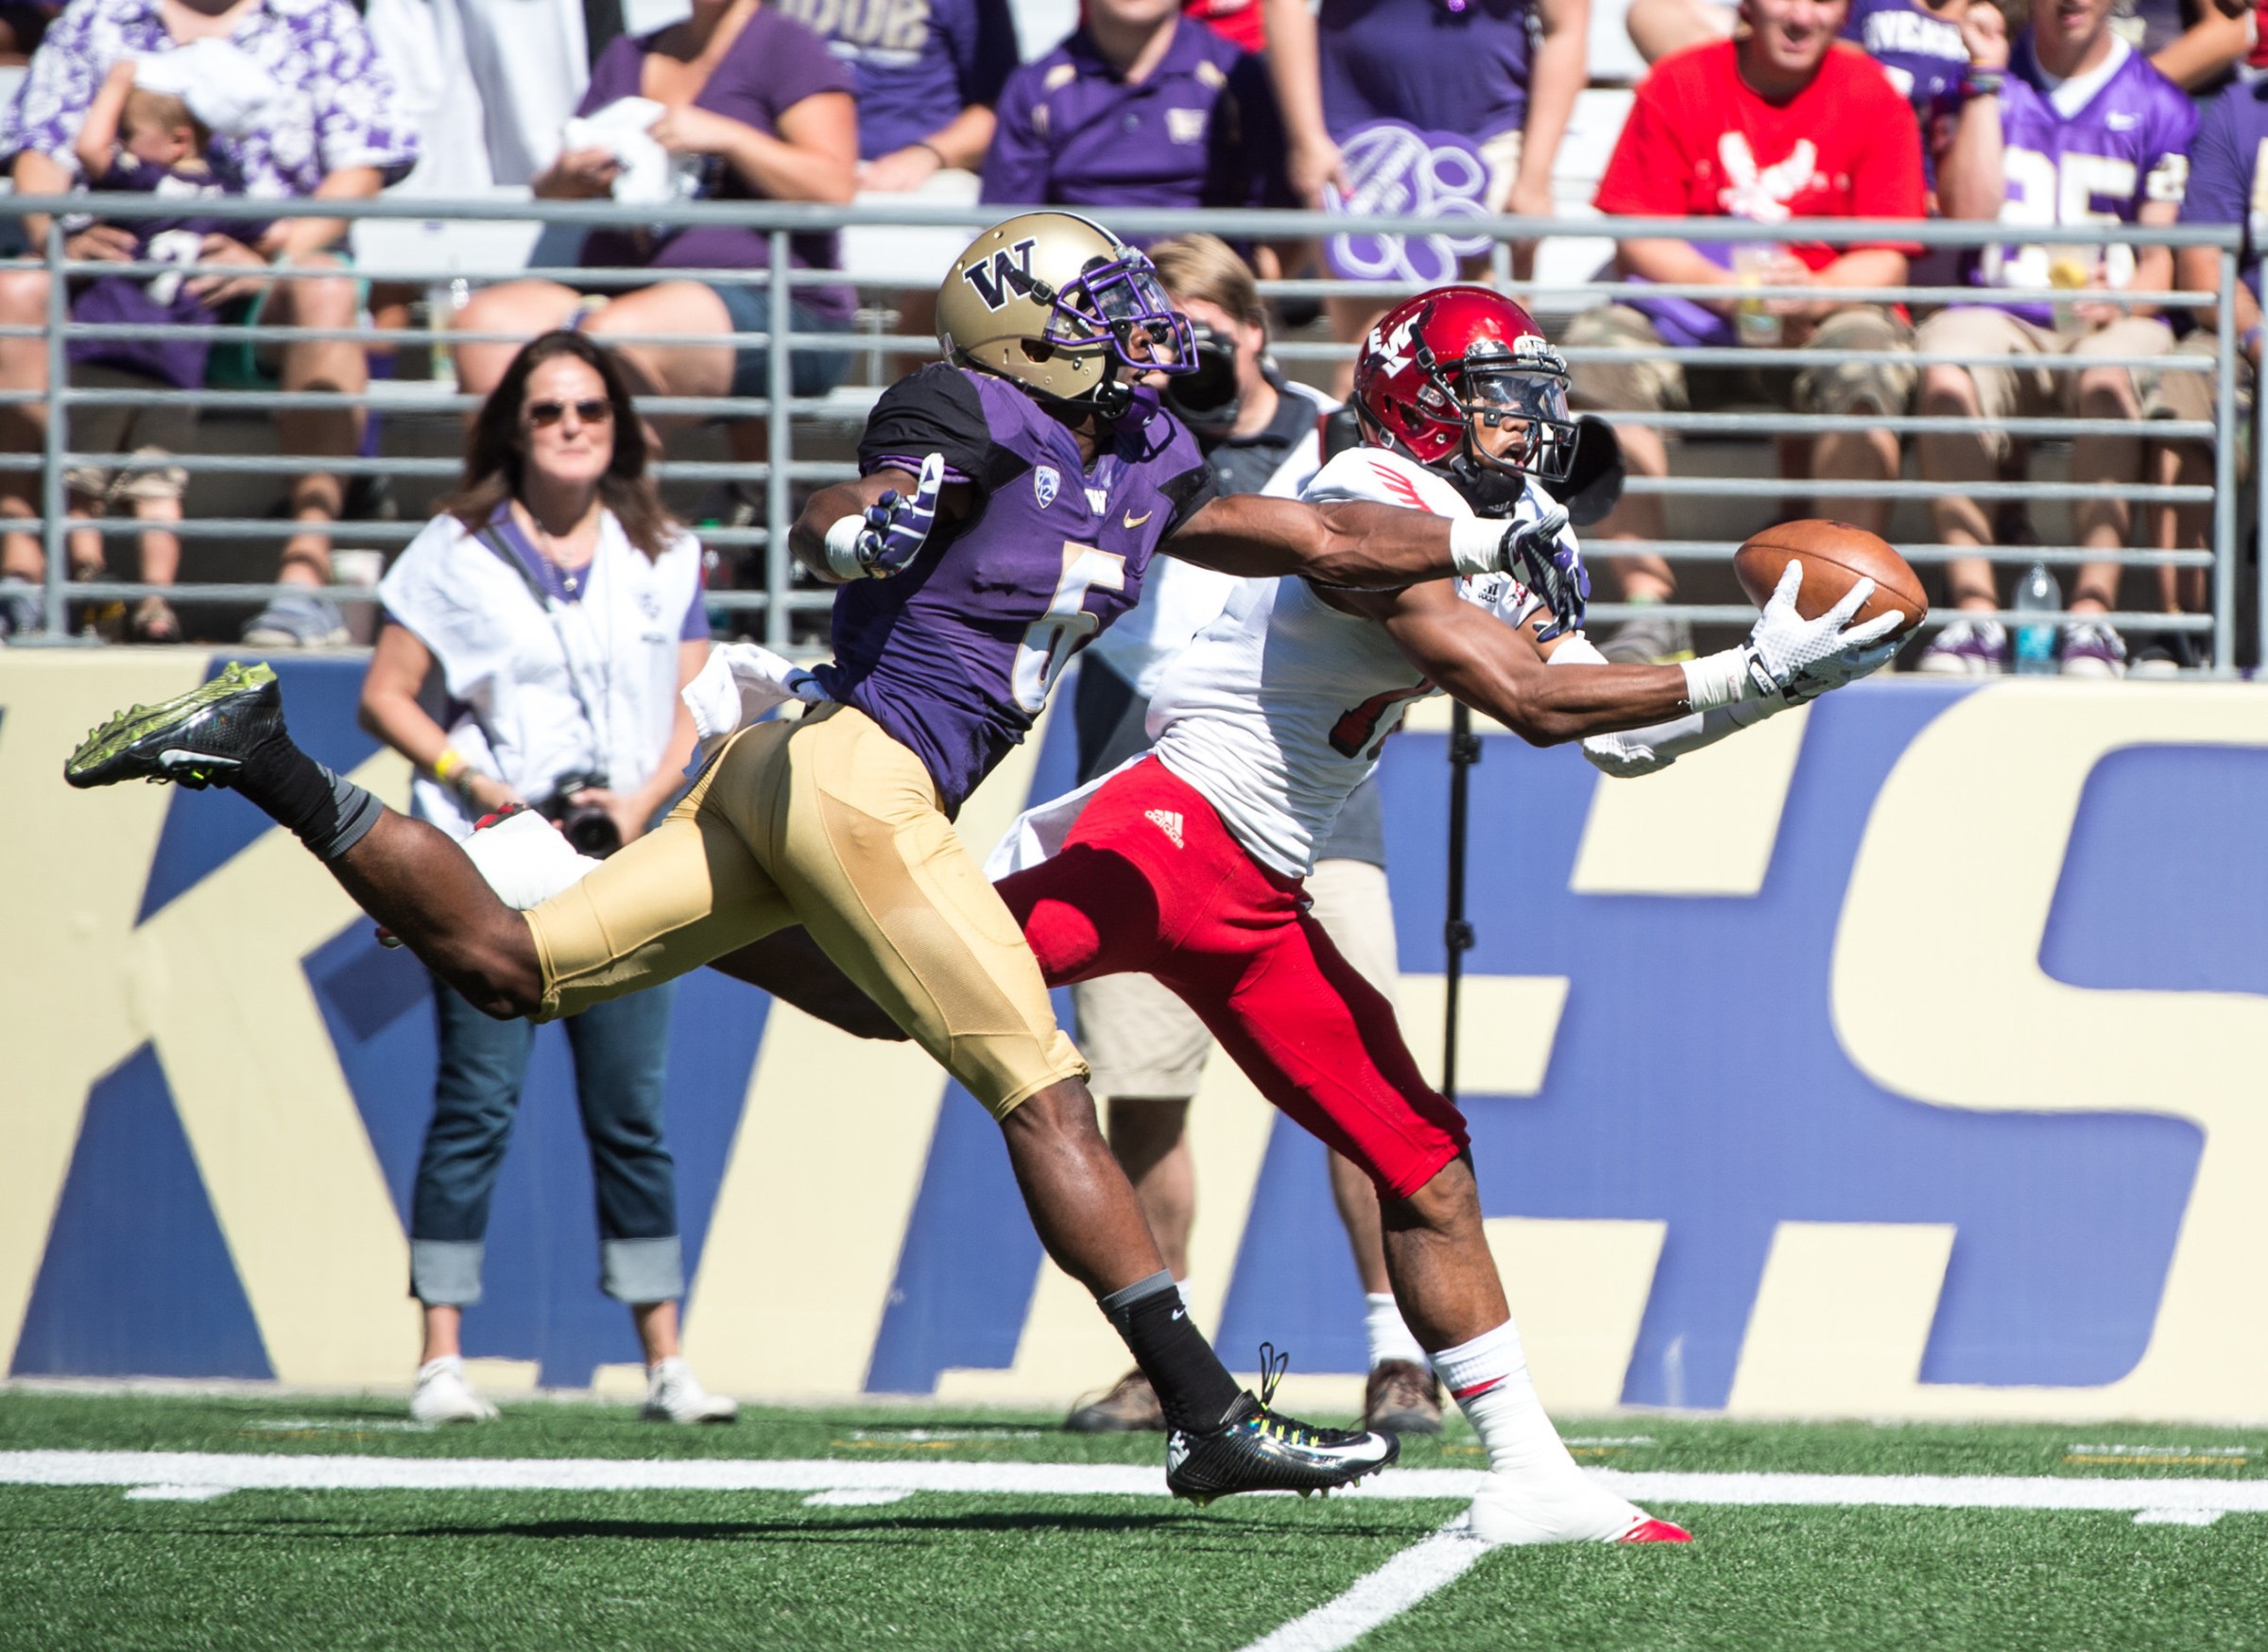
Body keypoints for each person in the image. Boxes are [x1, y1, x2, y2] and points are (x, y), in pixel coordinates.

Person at [66, 211, 1582, 1510]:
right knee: (1043, 1088)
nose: (1139, 333)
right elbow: (844, 502)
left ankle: (259, 750)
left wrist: (1474, 546)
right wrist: (864, 529)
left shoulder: (1155, 456)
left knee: (510, 966)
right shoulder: (974, 410)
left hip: (783, 776)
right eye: (1103, 311)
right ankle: (1206, 1415)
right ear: (1030, 334)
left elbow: (1317, 541)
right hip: (859, 778)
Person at [682, 286, 1898, 1543]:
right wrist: (1750, 669)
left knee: (1423, 1159)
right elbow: (1525, 700)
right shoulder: (1383, 493)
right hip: (1164, 832)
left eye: (1533, 401)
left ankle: (1530, 1471)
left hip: (1260, 879)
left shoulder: (1513, 517)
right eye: (1495, 403)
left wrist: (1769, 689)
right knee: (896, 995)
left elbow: (1614, 739)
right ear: (1423, 405)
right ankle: (666, 916)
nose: (1525, 428)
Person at [1057, 233, 1439, 1438]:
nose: (1191, 355)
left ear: (1258, 329)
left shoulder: (1340, 437)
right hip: (1142, 784)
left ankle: (1397, 1352)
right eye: (1163, 333)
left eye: (1208, 331)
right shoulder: (1114, 435)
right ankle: (1165, 1362)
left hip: (1313, 801)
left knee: (1359, 1076)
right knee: (1142, 1090)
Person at [360, 331, 730, 1425]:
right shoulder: (453, 546)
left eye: (591, 410)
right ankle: (440, 1358)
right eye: (548, 411)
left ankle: (667, 1361)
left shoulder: (664, 545)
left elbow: (696, 700)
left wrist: (641, 797)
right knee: (476, 1101)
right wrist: (470, 777)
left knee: (632, 1111)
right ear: (510, 429)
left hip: (618, 854)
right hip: (489, 857)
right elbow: (387, 694)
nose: (572, 427)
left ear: (619, 425)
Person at [0, 0, 419, 648]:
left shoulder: (323, 19)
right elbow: (38, 152)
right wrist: (59, 237)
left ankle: (302, 587)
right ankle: (23, 578)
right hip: (111, 291)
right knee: (16, 286)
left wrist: (270, 258)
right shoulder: (97, 17)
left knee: (326, 285)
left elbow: (362, 167)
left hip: (258, 286)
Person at [1564, 0, 1924, 664]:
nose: (1801, 16)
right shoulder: (1682, 79)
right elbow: (1638, 233)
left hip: (1819, 317)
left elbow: (1888, 254)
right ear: (1746, 8)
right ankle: (1651, 610)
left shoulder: (1869, 90)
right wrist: (1728, 292)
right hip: (1693, 320)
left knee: (1869, 355)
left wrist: (1812, 293)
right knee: (1596, 352)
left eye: (1821, 0)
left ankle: (1841, 612)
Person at [1913, 0, 2195, 676]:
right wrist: (1983, 79)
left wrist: (2122, 298)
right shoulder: (1983, 83)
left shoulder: (2158, 102)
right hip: (1999, 311)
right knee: (1945, 361)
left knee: (2111, 375)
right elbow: (1966, 217)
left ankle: (2092, 619)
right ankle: (1974, 615)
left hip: (2108, 319)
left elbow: (2162, 260)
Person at [448, 0, 856, 438]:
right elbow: (550, 191)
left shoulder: (788, 46)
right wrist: (573, 175)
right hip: (614, 291)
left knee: (612, 338)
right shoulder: (630, 52)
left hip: (775, 305)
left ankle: (618, 502)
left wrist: (731, 140)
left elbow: (833, 187)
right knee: (485, 325)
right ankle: (509, 501)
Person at [51, 43, 276, 645]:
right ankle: (157, 604)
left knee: (80, 486)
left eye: (134, 134)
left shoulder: (144, 178)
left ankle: (90, 580)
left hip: (103, 356)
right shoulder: (227, 195)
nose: (123, 145)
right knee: (159, 493)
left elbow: (87, 149)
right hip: (175, 371)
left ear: (176, 142)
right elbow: (274, 232)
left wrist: (118, 78)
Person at [1259, 0, 1589, 373]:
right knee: (1373, 366)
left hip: (1492, 143)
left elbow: (1565, 28)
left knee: (1492, 362)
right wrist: (1308, 139)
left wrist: (1534, 179)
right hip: (1363, 150)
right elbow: (1285, 5)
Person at [2143, 63, 2262, 673]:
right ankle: (2182, 632)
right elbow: (2201, 268)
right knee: (2186, 375)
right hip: (2249, 345)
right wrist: (2258, 336)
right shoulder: (2242, 111)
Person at [980, 0, 1285, 216]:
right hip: (1079, 298)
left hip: (1205, 297)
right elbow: (1007, 233)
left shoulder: (1237, 77)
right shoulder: (1033, 88)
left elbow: (1277, 226)